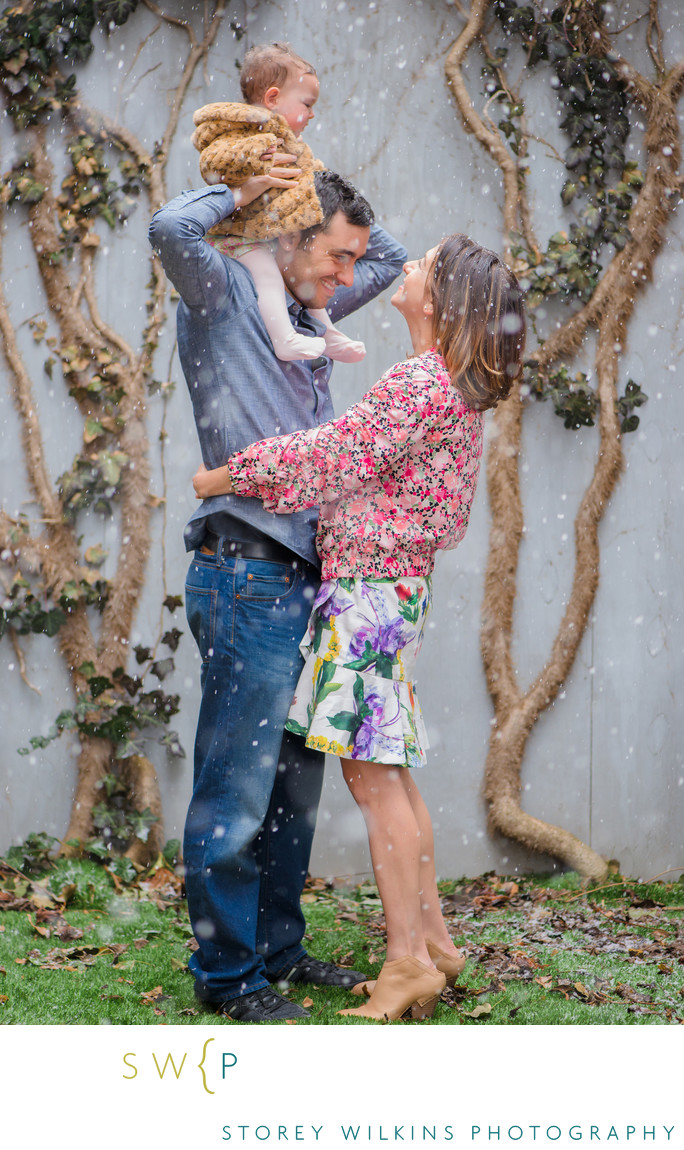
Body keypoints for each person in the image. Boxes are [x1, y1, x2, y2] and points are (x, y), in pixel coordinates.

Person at [193, 234, 526, 1022]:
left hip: (367, 594)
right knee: (392, 772)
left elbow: (331, 457)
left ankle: (407, 960)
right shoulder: (449, 388)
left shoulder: (417, 384)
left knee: (372, 780)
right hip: (394, 593)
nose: (409, 267)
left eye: (426, 266)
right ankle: (435, 942)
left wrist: (229, 474)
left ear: (444, 303)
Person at [148, 153, 407, 1020]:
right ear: (290, 236)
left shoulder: (307, 308)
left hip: (306, 579)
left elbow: (393, 253)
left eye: (347, 261)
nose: (348, 276)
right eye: (335, 256)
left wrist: (317, 173)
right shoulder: (222, 296)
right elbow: (170, 227)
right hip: (244, 570)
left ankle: (276, 951)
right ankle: (227, 980)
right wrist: (255, 186)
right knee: (238, 784)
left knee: (293, 784)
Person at [193, 41, 365, 363]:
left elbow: (314, 175)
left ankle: (326, 333)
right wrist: (254, 159)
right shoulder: (242, 133)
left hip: (270, 231)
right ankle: (284, 338)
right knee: (269, 275)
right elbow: (212, 163)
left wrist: (331, 190)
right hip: (235, 236)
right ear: (273, 98)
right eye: (307, 103)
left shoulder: (293, 142)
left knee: (305, 278)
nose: (312, 113)